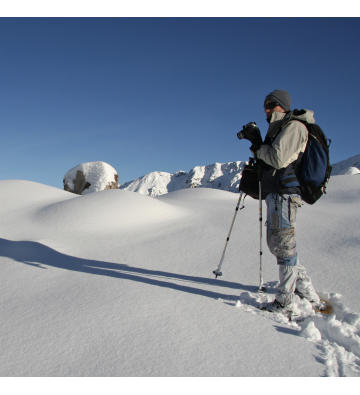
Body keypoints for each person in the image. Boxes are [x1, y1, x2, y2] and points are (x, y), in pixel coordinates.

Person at [238, 89, 322, 318]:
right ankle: (306, 290)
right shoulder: (279, 129)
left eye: (272, 104)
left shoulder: (294, 126)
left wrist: (257, 145)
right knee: (277, 245)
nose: (267, 109)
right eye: (265, 105)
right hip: (276, 194)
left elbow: (278, 158)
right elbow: (271, 159)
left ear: (283, 105)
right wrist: (258, 142)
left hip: (285, 194)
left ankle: (285, 302)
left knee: (284, 247)